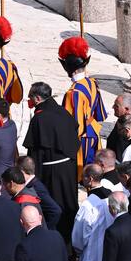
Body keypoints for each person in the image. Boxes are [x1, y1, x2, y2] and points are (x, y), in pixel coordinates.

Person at [23, 82, 80, 240]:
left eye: (30, 97)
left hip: (51, 172)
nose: (29, 100)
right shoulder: (62, 111)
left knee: (54, 206)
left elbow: (35, 151)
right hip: (69, 167)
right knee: (69, 202)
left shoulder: (39, 118)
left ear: (38, 98)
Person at [59, 37, 108, 178]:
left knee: (85, 174)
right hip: (94, 131)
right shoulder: (92, 82)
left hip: (82, 136)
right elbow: (100, 113)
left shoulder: (74, 92)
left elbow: (74, 124)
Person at [107, 93, 131, 160]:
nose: (113, 107)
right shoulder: (121, 120)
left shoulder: (128, 127)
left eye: (116, 106)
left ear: (126, 109)